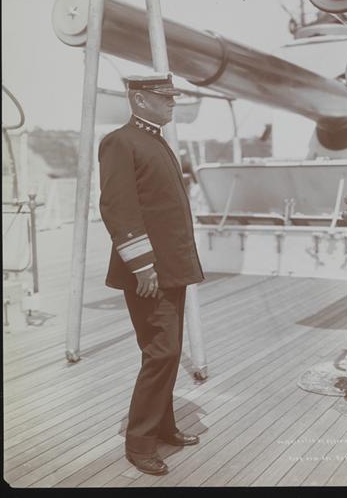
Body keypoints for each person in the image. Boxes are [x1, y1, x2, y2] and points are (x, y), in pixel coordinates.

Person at [98, 73, 204, 475]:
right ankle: (140, 442)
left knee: (167, 350)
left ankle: (162, 425)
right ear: (140, 100)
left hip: (169, 269)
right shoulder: (121, 142)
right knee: (162, 352)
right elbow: (118, 207)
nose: (172, 102)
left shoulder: (155, 140)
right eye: (165, 97)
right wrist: (142, 266)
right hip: (149, 273)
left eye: (172, 96)